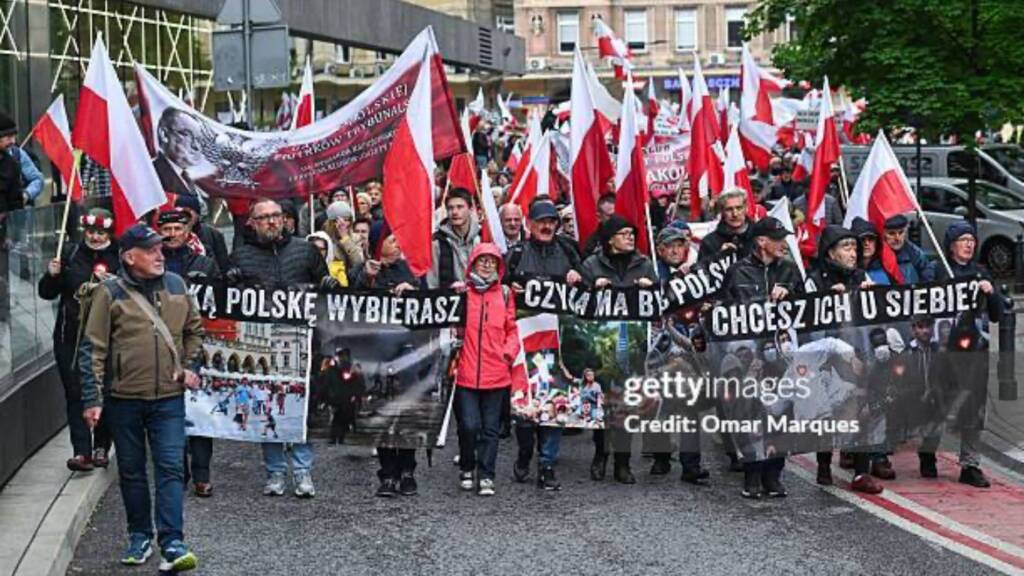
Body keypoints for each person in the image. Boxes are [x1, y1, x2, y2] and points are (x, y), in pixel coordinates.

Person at [78, 224, 203, 571]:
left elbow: (195, 331)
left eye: (160, 249)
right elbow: (93, 348)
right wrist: (92, 398)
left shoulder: (177, 286)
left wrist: (191, 365)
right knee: (132, 471)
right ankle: (139, 535)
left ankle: (173, 542)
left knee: (170, 468)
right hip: (123, 399)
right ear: (130, 257)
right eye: (151, 250)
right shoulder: (109, 293)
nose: (160, 255)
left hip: (168, 398)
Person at [228, 198, 334, 498]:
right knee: (268, 408)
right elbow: (228, 304)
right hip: (263, 347)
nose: (272, 221)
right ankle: (274, 472)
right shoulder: (241, 257)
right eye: (264, 218)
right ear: (253, 223)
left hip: (303, 343)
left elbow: (324, 290)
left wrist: (326, 283)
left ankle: (302, 471)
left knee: (301, 409)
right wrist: (228, 282)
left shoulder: (306, 250)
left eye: (276, 216)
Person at [721, 216, 803, 499]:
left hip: (781, 358)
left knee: (781, 414)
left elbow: (808, 309)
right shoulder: (737, 272)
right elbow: (724, 314)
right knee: (750, 413)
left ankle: (774, 474)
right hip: (749, 358)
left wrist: (790, 294)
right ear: (761, 241)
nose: (784, 244)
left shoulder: (791, 271)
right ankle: (752, 473)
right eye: (778, 239)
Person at [918, 220, 1004, 488]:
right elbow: (920, 303)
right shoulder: (937, 270)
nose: (969, 244)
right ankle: (928, 450)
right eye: (963, 239)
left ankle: (970, 464)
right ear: (951, 245)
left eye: (972, 240)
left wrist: (991, 294)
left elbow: (997, 314)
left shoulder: (981, 274)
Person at [504, 199, 582, 491]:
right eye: (541, 221)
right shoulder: (515, 255)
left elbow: (586, 291)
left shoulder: (569, 251)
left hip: (556, 343)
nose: (547, 226)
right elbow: (497, 288)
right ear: (530, 224)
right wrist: (508, 288)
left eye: (552, 221)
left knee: (554, 406)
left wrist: (579, 277)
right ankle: (525, 453)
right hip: (524, 344)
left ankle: (547, 464)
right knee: (525, 411)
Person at [39, 208, 120, 472]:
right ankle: (81, 451)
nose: (95, 237)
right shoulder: (71, 254)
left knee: (104, 389)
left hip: (106, 335)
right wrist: (52, 275)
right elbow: (47, 294)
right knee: (75, 392)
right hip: (70, 335)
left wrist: (115, 283)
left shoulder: (120, 256)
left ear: (108, 233)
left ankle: (101, 446)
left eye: (100, 232)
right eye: (91, 232)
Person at [806, 225, 884, 494]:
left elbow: (875, 319)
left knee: (863, 410)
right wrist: (827, 300)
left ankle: (862, 471)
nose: (853, 253)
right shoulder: (815, 280)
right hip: (828, 359)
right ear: (831, 253)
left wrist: (872, 297)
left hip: (858, 357)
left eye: (855, 247)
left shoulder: (861, 276)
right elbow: (808, 323)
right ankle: (824, 464)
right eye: (846, 247)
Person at [580, 215, 657, 484]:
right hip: (603, 347)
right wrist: (591, 288)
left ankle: (622, 463)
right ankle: (601, 455)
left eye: (631, 233)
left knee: (627, 406)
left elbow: (660, 302)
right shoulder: (591, 264)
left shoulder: (644, 264)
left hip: (633, 348)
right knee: (604, 405)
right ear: (610, 238)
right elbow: (578, 303)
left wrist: (653, 287)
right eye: (623, 233)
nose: (630, 238)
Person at [351, 228, 423, 497]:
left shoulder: (412, 270)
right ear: (378, 246)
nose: (399, 244)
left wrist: (413, 289)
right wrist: (367, 279)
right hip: (375, 354)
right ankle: (388, 472)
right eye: (392, 240)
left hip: (408, 352)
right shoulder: (363, 270)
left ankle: (407, 469)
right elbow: (348, 303)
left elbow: (432, 306)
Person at [157, 207, 220, 498]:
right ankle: (178, 471)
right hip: (164, 345)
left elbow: (221, 300)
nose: (171, 235)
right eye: (166, 230)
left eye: (176, 230)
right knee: (171, 413)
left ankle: (202, 474)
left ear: (187, 231)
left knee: (201, 411)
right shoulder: (153, 265)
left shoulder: (205, 263)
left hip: (200, 344)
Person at [452, 244, 519, 496]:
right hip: (466, 372)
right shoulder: (463, 294)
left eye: (492, 260)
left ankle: (486, 474)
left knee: (491, 428)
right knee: (469, 425)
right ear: (472, 263)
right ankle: (467, 465)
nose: (488, 264)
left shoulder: (504, 293)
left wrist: (508, 353)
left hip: (496, 372)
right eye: (483, 260)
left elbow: (511, 328)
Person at [428, 187, 481, 289]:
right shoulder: (437, 242)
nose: (455, 212)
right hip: (449, 300)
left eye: (460, 207)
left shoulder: (482, 237)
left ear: (470, 209)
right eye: (450, 208)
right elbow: (432, 282)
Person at [173, 194, 229, 273]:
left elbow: (223, 266)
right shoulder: (170, 236)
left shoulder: (212, 234)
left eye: (187, 212)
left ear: (197, 214)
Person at [698, 188, 755, 263]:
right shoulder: (709, 242)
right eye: (729, 209)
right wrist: (718, 256)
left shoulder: (760, 237)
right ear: (722, 211)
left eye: (739, 208)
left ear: (746, 208)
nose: (735, 214)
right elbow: (700, 270)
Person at [881, 214, 936, 284]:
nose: (897, 238)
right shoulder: (876, 254)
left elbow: (927, 274)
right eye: (892, 233)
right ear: (883, 234)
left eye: (901, 232)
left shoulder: (915, 253)